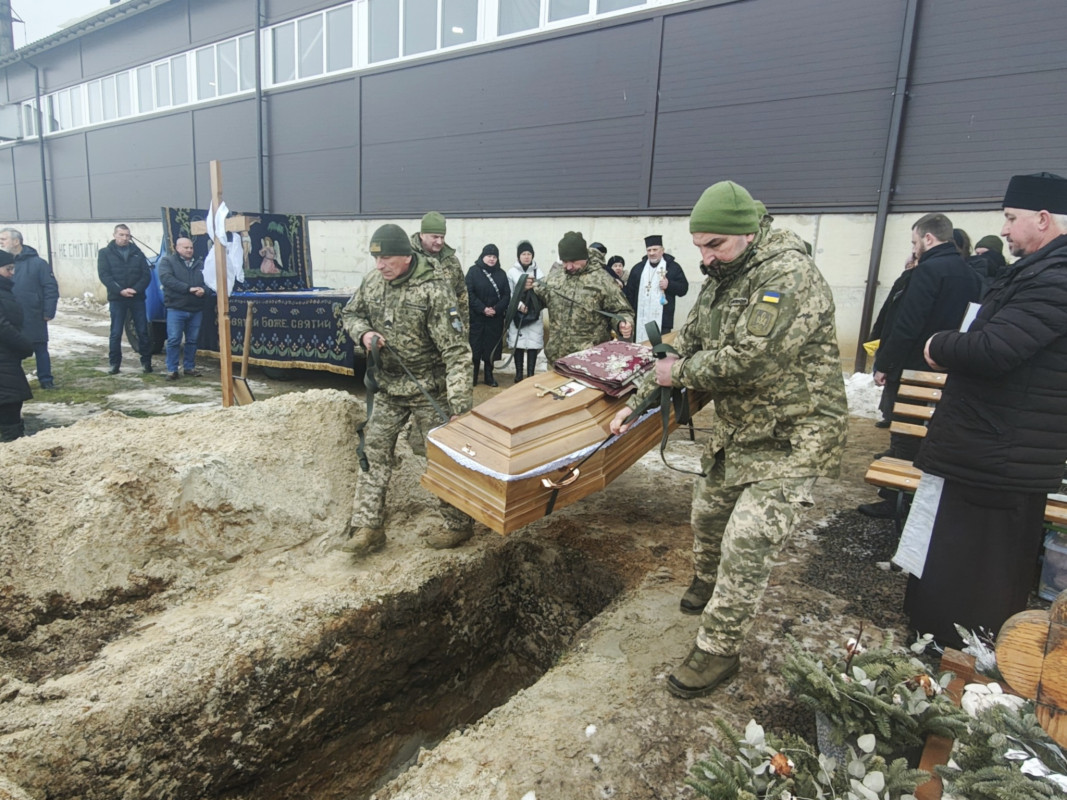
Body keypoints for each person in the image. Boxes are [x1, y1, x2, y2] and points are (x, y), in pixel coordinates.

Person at [610, 180, 848, 698]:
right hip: (742, 429)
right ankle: (707, 580)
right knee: (708, 512)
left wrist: (679, 374)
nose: (704, 256)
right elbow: (686, 343)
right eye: (697, 245)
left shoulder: (786, 274)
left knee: (748, 542)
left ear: (747, 233)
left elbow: (751, 360)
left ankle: (718, 651)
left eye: (714, 244)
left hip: (793, 434)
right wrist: (638, 400)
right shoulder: (724, 274)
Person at [895, 172, 1067, 649]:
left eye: (1011, 219)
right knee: (950, 568)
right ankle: (935, 646)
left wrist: (938, 343)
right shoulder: (1039, 269)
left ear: (1044, 218)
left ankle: (958, 662)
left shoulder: (1056, 277)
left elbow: (994, 349)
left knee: (974, 581)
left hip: (999, 458)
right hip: (988, 449)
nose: (1005, 230)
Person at [339, 224, 475, 556]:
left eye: (385, 258)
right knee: (374, 450)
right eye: (375, 258)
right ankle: (369, 527)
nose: (380, 265)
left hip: (429, 388)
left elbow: (457, 351)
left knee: (437, 455)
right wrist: (365, 334)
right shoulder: (373, 282)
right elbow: (351, 314)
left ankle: (459, 524)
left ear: (405, 255)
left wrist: (459, 405)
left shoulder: (434, 290)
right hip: (387, 387)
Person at [860, 213, 982, 518]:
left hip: (916, 366)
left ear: (929, 238)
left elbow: (907, 323)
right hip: (953, 366)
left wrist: (885, 363)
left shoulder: (927, 272)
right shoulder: (971, 274)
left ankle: (895, 497)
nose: (914, 248)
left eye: (915, 241)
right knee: (934, 433)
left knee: (904, 434)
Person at [526, 232, 633, 365]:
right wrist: (525, 290)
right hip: (557, 362)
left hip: (590, 362)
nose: (569, 267)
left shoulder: (602, 279)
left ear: (584, 257)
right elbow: (533, 303)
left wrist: (623, 323)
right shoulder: (554, 278)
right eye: (565, 261)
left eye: (574, 262)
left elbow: (622, 311)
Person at [0, 228, 59, 390]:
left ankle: (46, 379)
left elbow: (50, 287)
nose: (1, 242)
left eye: (4, 239)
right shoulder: (2, 262)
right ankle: (15, 380)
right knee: (11, 348)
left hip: (33, 313)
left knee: (40, 348)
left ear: (16, 241)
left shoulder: (38, 263)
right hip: (9, 316)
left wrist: (48, 311)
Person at [867, 254, 918, 429]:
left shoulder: (914, 281)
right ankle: (888, 414)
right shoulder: (904, 280)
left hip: (903, 344)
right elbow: (888, 310)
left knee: (895, 380)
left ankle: (894, 418)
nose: (910, 264)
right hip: (891, 338)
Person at [97, 223, 153, 375]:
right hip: (117, 298)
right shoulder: (105, 253)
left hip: (137, 297)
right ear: (114, 235)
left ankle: (146, 362)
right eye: (121, 235)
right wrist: (120, 290)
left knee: (142, 330)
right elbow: (104, 275)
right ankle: (114, 363)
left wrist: (135, 289)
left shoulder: (137, 252)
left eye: (127, 235)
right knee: (115, 332)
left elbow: (146, 274)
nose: (125, 238)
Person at [157, 237, 208, 381]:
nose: (189, 250)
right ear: (177, 248)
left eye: (191, 247)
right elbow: (167, 279)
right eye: (186, 248)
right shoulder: (167, 262)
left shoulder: (200, 264)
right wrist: (188, 289)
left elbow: (210, 282)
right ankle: (172, 370)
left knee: (192, 340)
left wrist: (204, 290)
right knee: (174, 340)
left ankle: (189, 367)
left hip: (196, 308)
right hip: (176, 308)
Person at [410, 211, 468, 329]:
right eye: (435, 237)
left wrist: (464, 328)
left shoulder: (452, 261)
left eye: (442, 237)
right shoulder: (407, 259)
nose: (439, 242)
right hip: (416, 335)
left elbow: (462, 296)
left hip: (448, 332)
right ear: (422, 235)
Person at [624, 235, 689, 336]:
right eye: (649, 250)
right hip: (640, 320)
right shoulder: (638, 269)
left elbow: (683, 289)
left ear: (662, 250)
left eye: (655, 250)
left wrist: (670, 285)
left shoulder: (673, 267)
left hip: (663, 321)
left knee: (659, 350)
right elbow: (630, 294)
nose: (652, 253)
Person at [0, 250, 34, 442]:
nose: (12, 272)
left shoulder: (5, 290)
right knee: (8, 407)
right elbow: (2, 326)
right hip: (3, 361)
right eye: (8, 268)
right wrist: (24, 346)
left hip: (8, 360)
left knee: (11, 406)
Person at [466, 244, 510, 387]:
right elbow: (469, 293)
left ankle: (489, 376)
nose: (492, 259)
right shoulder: (473, 272)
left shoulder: (501, 274)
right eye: (489, 256)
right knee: (475, 347)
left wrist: (496, 309)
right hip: (477, 318)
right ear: (483, 256)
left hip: (494, 319)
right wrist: (483, 308)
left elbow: (506, 295)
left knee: (491, 348)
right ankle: (473, 375)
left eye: (494, 256)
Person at [506, 240, 544, 383]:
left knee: (533, 344)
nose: (526, 256)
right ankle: (519, 374)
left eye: (529, 254)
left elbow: (542, 293)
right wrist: (518, 304)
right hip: (518, 313)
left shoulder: (538, 272)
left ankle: (531, 374)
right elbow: (509, 292)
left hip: (534, 313)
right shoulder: (512, 272)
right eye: (524, 254)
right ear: (519, 256)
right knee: (518, 345)